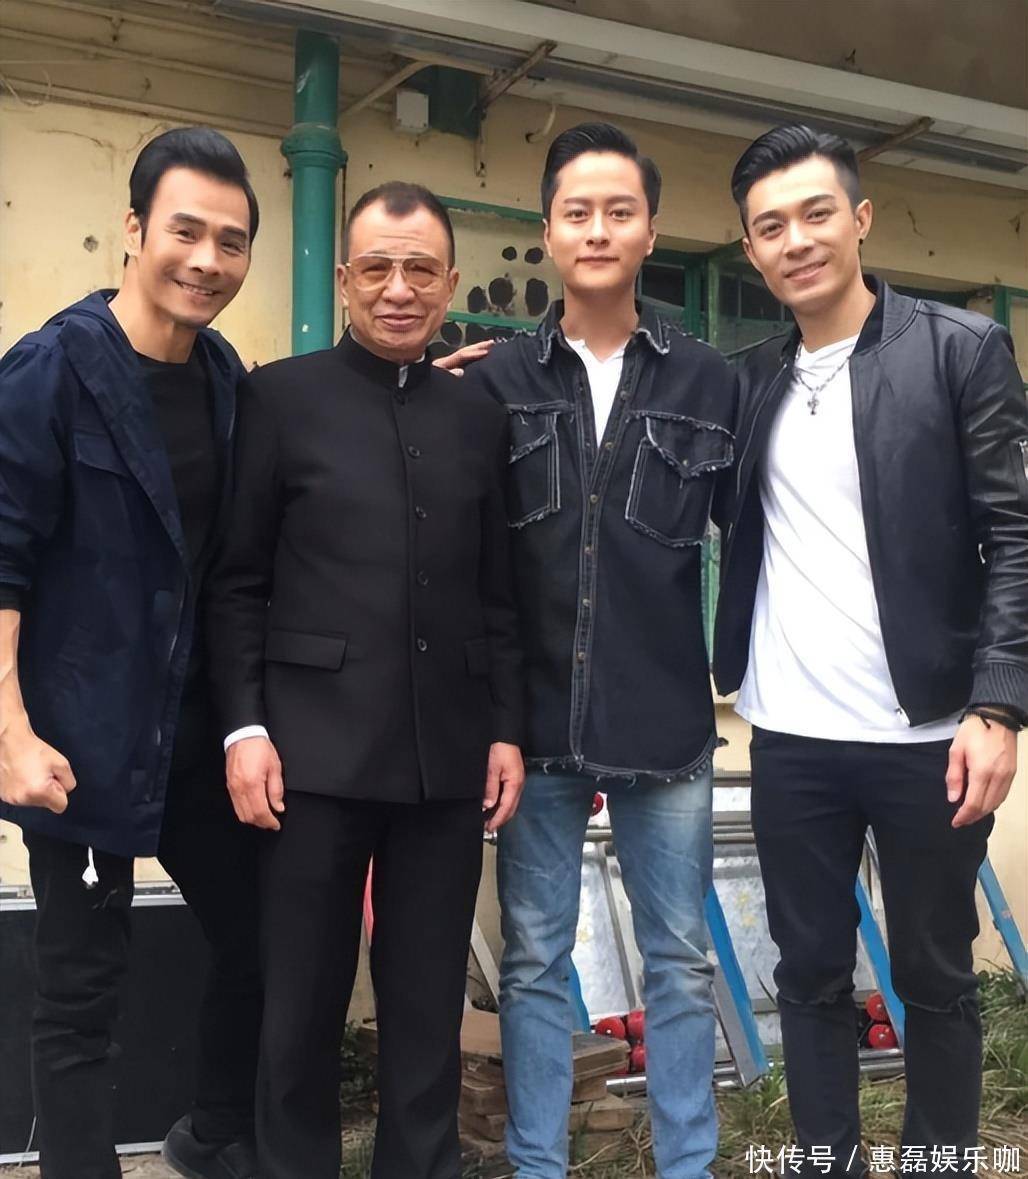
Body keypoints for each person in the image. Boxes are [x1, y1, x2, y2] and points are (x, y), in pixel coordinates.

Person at [714, 124, 1028, 1173]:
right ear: (749, 249)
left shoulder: (959, 350)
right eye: (770, 226)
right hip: (790, 738)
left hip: (929, 732)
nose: (795, 240)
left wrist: (998, 705)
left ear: (859, 219)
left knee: (933, 974)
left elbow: (1016, 534)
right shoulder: (749, 379)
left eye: (815, 214)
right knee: (806, 972)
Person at [204, 180, 525, 1179]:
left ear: (450, 283)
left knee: (427, 1006)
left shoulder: (478, 418)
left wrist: (506, 728)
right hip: (307, 756)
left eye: (419, 269)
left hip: (444, 758)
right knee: (299, 1006)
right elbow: (237, 582)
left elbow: (500, 592)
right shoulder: (278, 397)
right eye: (377, 268)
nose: (398, 289)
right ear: (345, 279)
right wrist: (243, 728)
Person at [463, 123, 735, 1179]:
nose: (597, 229)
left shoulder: (707, 381)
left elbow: (763, 535)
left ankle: (686, 1164)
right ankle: (538, 1164)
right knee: (535, 960)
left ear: (650, 232)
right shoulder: (493, 381)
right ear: (548, 230)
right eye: (577, 211)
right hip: (529, 724)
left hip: (662, 716)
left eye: (619, 211)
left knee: (678, 958)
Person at [0, 127, 263, 1179]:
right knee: (80, 993)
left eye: (231, 242)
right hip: (80, 737)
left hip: (196, 732)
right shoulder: (52, 369)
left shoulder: (226, 378)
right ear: (134, 228)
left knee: (258, 935)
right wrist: (10, 732)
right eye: (185, 231)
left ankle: (213, 1134)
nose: (207, 259)